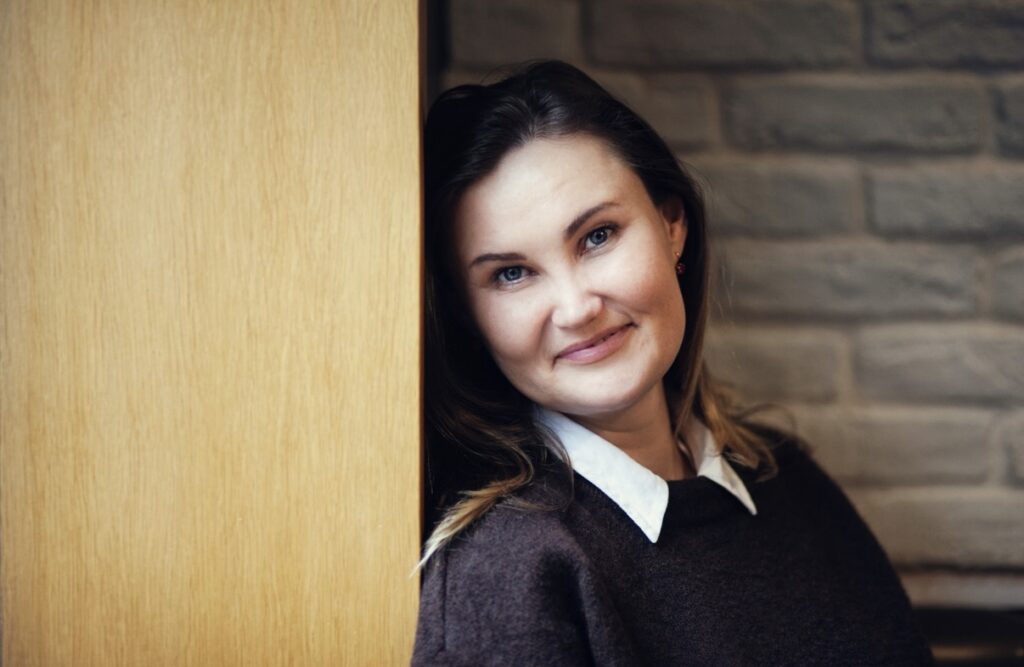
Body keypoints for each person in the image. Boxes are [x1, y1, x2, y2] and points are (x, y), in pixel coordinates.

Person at [412, 60, 934, 666]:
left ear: (672, 225)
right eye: (511, 273)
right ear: (467, 315)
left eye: (598, 236)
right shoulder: (507, 571)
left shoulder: (786, 479)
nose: (577, 309)